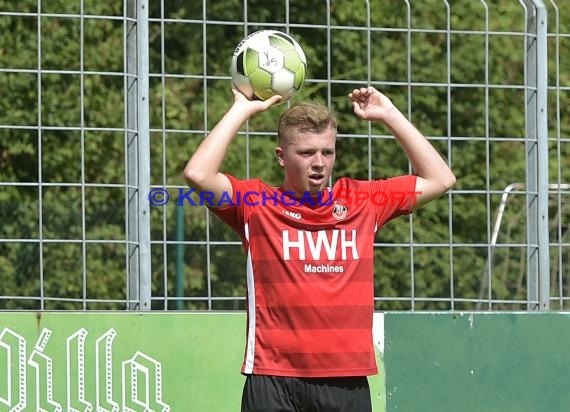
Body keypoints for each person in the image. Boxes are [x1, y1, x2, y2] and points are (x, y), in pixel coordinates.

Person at [184, 86, 456, 412]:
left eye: (327, 153)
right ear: (281, 156)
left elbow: (441, 179)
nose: (319, 163)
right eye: (306, 153)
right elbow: (197, 174)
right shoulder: (255, 204)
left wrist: (389, 114)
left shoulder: (364, 201)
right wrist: (241, 109)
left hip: (346, 378)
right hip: (273, 376)